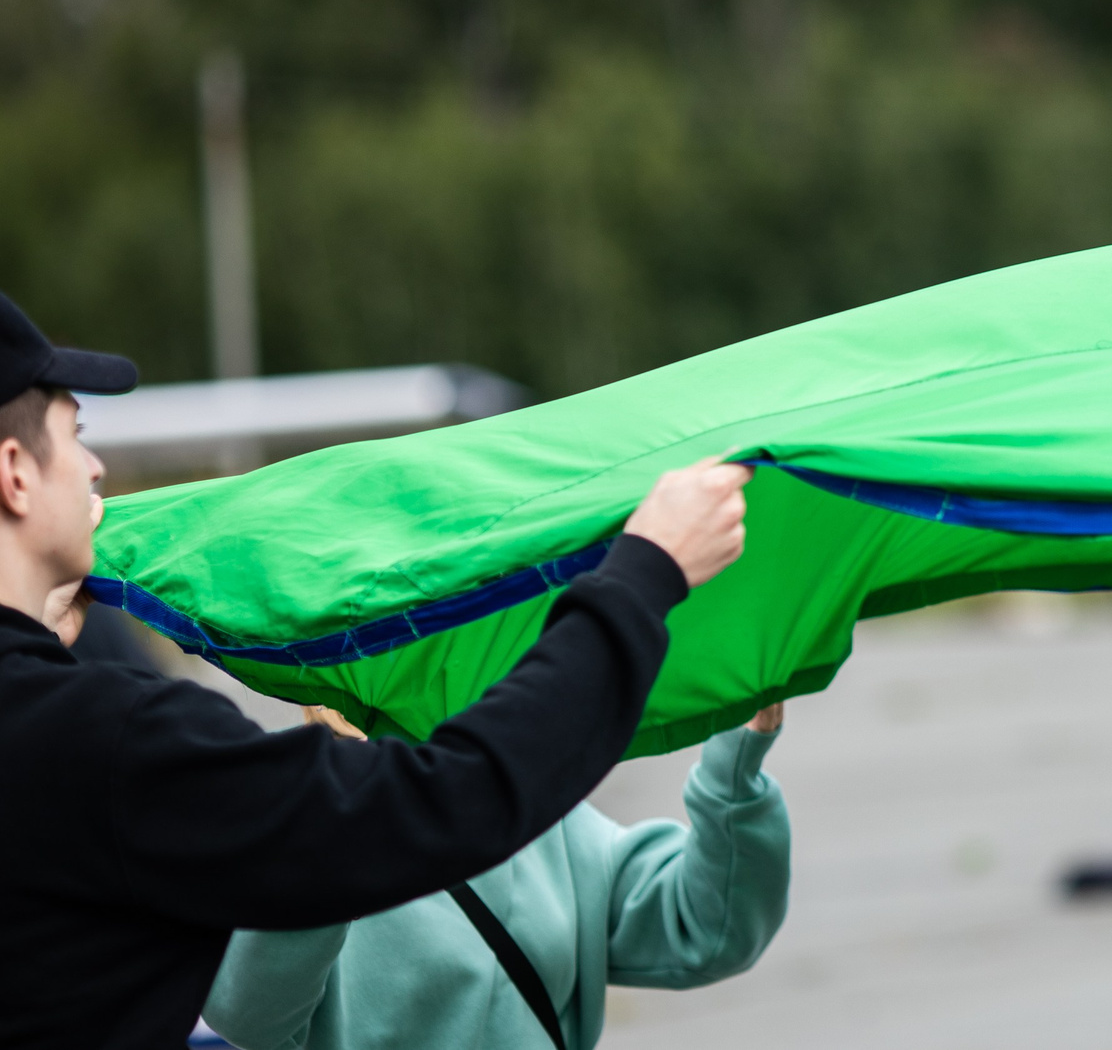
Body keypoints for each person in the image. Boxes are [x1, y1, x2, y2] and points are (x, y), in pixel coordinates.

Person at [0, 290, 752, 1049]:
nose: (96, 466)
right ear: (15, 474)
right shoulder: (108, 738)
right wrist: (643, 574)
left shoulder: (70, 728)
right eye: (76, 434)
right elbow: (450, 801)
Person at [203, 701, 792, 1050]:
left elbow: (707, 928)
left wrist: (737, 762)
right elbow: (248, 1013)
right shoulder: (289, 805)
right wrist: (334, 805)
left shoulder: (529, 804)